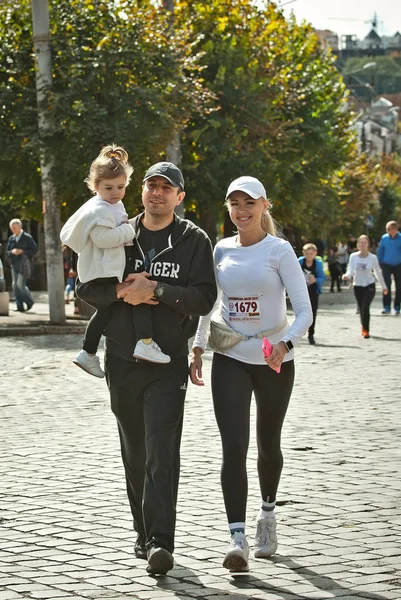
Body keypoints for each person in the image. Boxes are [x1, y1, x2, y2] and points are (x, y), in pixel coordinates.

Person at [75, 161, 217, 575]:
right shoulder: (116, 228)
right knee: (134, 452)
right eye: (151, 186)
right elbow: (86, 285)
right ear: (142, 192)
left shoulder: (194, 240)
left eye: (165, 188)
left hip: (168, 363)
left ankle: (160, 542)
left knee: (161, 450)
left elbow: (205, 298)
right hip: (120, 360)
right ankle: (142, 533)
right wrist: (122, 292)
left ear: (179, 197)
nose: (156, 193)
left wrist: (156, 290)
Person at [190, 176, 312, 573]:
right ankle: (237, 538)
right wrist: (197, 345)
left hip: (275, 361)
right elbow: (209, 305)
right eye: (234, 204)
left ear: (264, 205)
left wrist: (285, 345)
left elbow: (304, 311)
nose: (241, 211)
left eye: (249, 203)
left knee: (268, 445)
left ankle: (268, 516)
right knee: (232, 448)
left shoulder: (279, 250)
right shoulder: (221, 248)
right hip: (230, 357)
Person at [61, 145, 171, 379]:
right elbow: (102, 238)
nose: (115, 192)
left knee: (107, 311)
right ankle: (144, 343)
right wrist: (128, 231)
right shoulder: (99, 209)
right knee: (136, 296)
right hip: (103, 271)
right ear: (95, 186)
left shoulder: (110, 204)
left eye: (120, 187)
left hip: (104, 268)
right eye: (108, 187)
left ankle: (89, 352)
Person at [343, 234, 388, 338]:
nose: (362, 245)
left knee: (365, 307)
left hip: (369, 285)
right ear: (357, 245)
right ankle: (363, 327)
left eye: (365, 243)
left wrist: (384, 286)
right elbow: (350, 270)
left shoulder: (372, 258)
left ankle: (366, 330)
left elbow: (378, 272)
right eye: (360, 243)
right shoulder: (353, 256)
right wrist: (346, 275)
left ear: (368, 244)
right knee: (361, 308)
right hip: (358, 286)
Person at [6, 219, 38, 312]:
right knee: (14, 286)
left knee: (20, 285)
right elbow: (7, 252)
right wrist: (12, 252)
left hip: (24, 265)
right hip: (14, 264)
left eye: (14, 227)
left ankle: (29, 301)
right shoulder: (11, 238)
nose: (13, 229)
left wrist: (22, 251)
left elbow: (34, 250)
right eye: (11, 228)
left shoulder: (27, 237)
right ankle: (19, 306)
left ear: (20, 227)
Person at [298, 243, 326, 345]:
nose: (309, 256)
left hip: (313, 291)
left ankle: (311, 334)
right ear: (303, 253)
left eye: (311, 253)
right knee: (300, 312)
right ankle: (298, 333)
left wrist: (316, 280)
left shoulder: (317, 264)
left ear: (315, 254)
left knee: (312, 312)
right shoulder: (299, 262)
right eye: (307, 253)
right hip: (301, 291)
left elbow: (322, 277)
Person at [376, 220, 401, 315]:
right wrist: (379, 263)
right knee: (386, 286)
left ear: (395, 229)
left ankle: (397, 306)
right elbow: (380, 251)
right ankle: (386, 306)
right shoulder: (384, 238)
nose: (387, 230)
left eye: (389, 229)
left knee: (399, 287)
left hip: (399, 265)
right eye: (386, 229)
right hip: (386, 264)